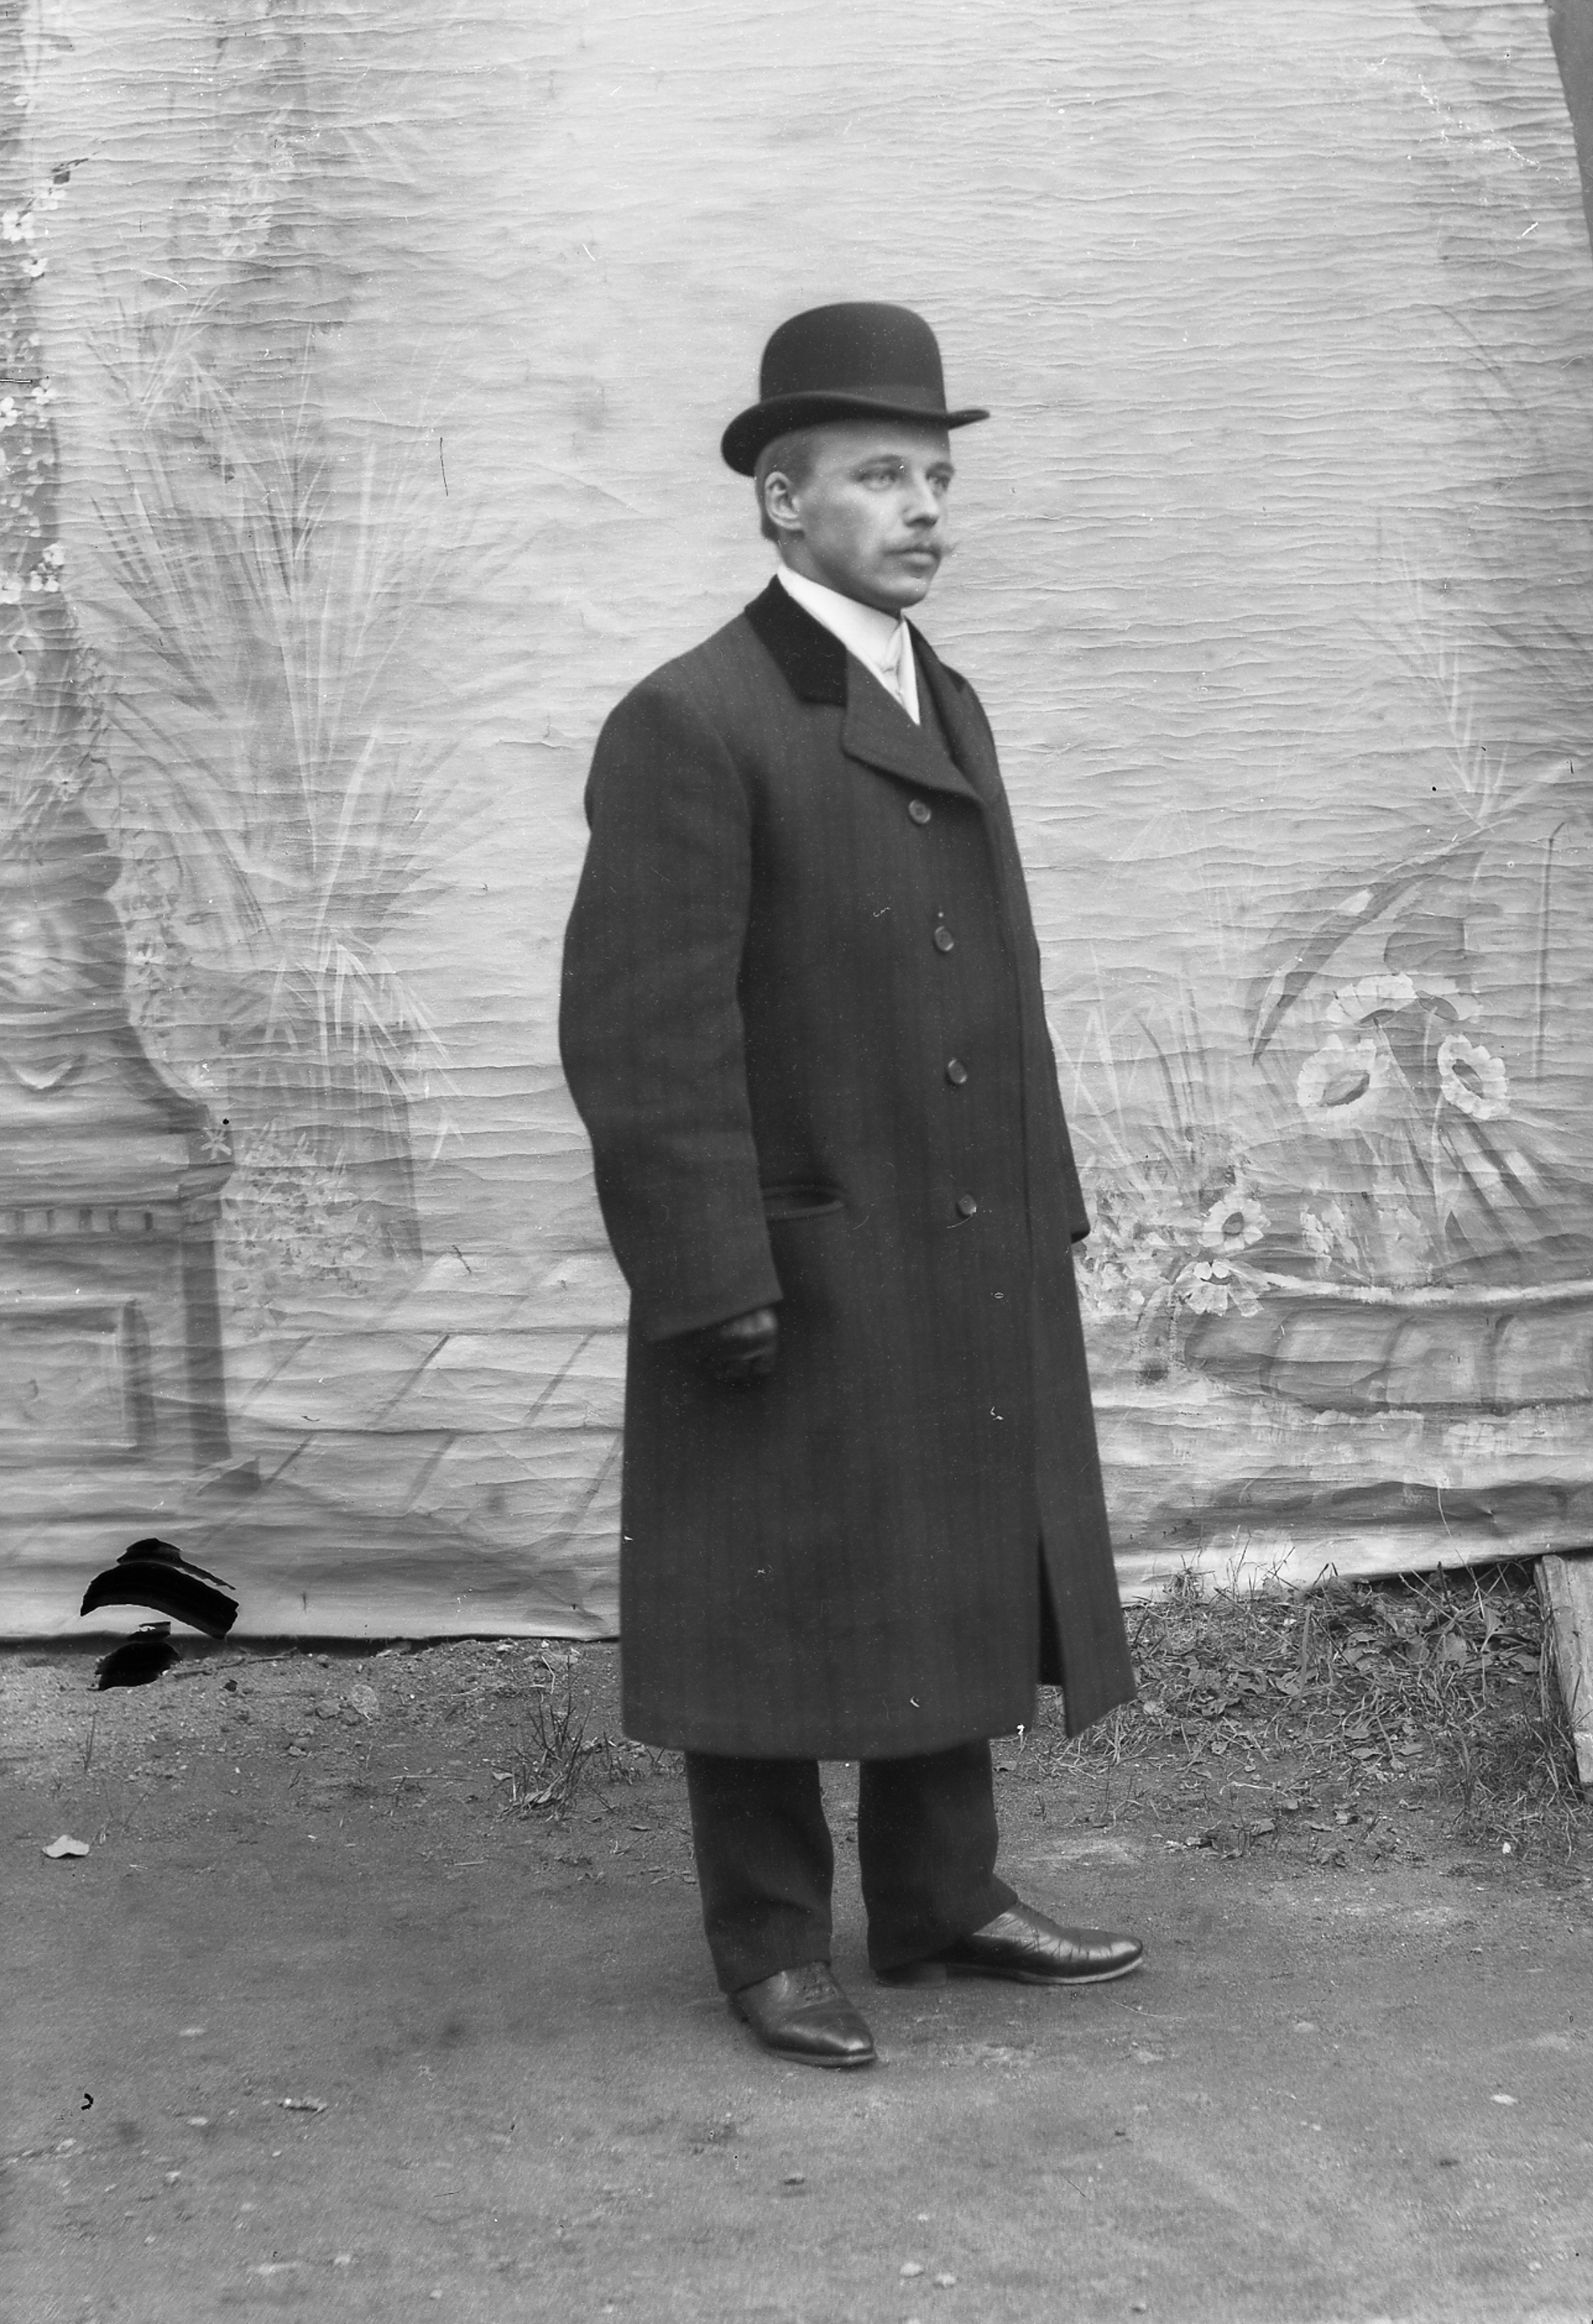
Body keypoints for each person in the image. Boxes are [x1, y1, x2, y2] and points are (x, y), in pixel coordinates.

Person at [560, 302, 1141, 2068]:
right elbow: (643, 1036)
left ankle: (941, 1899)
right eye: (881, 475)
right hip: (790, 1247)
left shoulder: (938, 693)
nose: (924, 507)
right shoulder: (693, 718)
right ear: (781, 503)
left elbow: (1002, 971)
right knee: (764, 1592)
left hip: (957, 1228)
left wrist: (1043, 1199)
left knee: (942, 1555)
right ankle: (766, 1944)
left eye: (937, 476)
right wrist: (709, 1268)